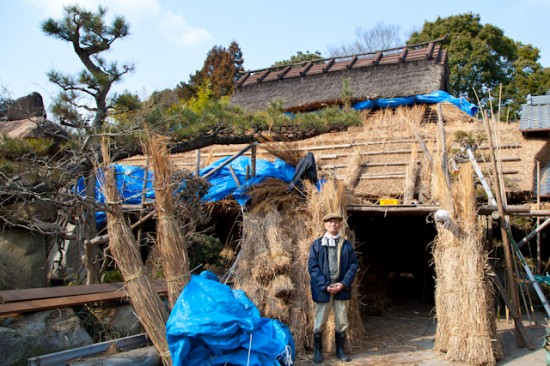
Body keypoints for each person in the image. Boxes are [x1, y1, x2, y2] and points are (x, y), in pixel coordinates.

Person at [307, 213, 359, 363]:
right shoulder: (317, 245)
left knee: (342, 321)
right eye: (330, 222)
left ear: (340, 225)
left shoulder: (346, 245)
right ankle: (318, 352)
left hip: (341, 289)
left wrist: (343, 284)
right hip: (323, 290)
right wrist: (325, 285)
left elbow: (353, 266)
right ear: (325, 225)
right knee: (320, 321)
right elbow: (313, 267)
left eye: (336, 222)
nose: (333, 224)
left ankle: (340, 351)